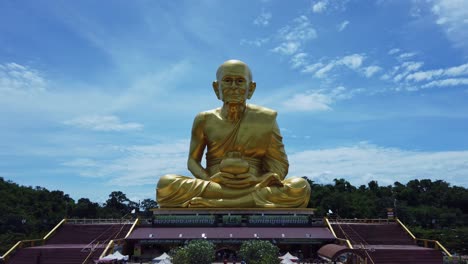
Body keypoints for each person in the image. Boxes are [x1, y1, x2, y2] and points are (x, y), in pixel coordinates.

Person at [156, 60, 310, 208]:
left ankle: (221, 203)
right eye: (228, 81)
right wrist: (209, 179)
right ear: (217, 88)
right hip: (215, 185)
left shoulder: (265, 119)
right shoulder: (204, 119)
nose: (234, 87)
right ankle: (242, 200)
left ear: (251, 88)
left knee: (300, 186)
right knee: (166, 184)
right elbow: (192, 161)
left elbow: (279, 164)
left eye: (240, 81)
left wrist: (259, 180)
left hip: (253, 183)